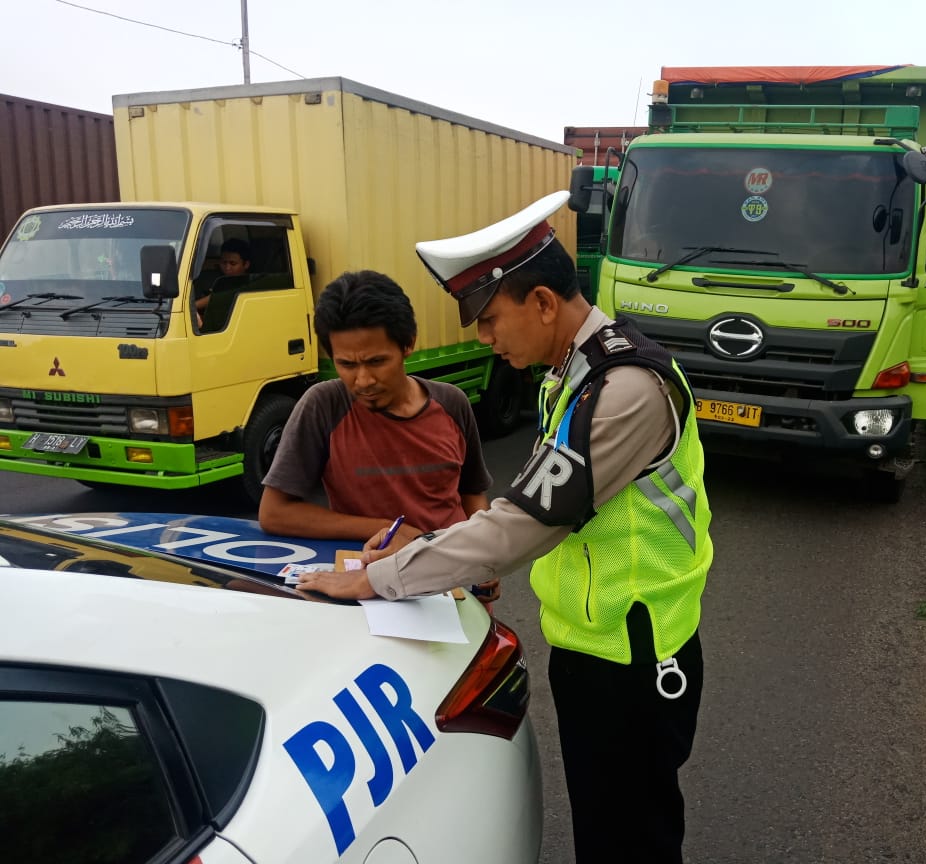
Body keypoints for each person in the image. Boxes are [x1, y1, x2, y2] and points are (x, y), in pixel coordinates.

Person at [297, 192, 713, 864]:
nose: (484, 339)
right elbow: (523, 505)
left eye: (490, 319)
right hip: (596, 643)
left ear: (544, 303)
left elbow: (522, 525)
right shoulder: (574, 375)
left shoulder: (624, 389)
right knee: (607, 829)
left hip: (634, 657)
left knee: (631, 838)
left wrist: (381, 578)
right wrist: (431, 547)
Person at [259, 270, 494, 566]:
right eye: (346, 364)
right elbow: (275, 513)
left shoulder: (451, 403)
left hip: (456, 575)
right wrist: (386, 528)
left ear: (408, 344)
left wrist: (486, 558)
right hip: (373, 581)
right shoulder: (324, 406)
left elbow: (472, 494)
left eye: (377, 361)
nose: (363, 380)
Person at [195, 237, 252, 315]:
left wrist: (193, 306)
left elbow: (223, 295)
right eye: (224, 263)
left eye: (233, 264)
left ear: (246, 264)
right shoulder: (211, 278)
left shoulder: (251, 283)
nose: (227, 268)